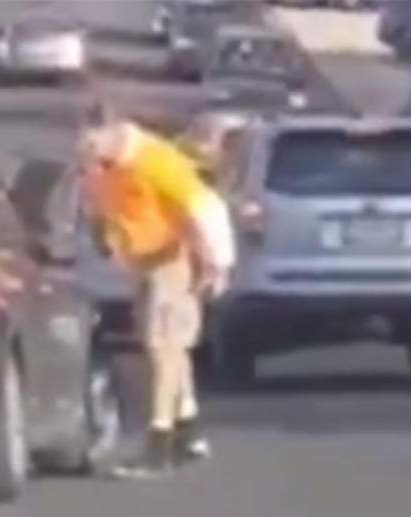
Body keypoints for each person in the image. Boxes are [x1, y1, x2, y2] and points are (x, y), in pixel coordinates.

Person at [79, 103, 235, 478]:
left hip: (173, 258)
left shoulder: (154, 160)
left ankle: (158, 443)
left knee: (161, 347)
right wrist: (102, 232)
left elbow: (200, 209)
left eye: (89, 142)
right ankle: (188, 431)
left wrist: (216, 264)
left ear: (110, 131)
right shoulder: (101, 166)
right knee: (170, 346)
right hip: (143, 262)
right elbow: (100, 206)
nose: (84, 151)